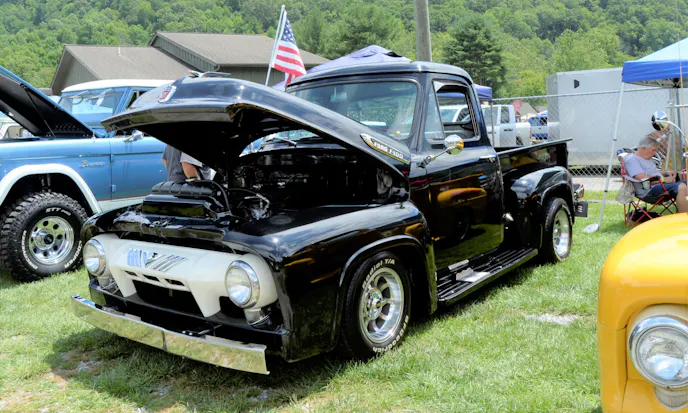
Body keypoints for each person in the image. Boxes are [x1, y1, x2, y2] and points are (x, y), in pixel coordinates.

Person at [624, 134, 688, 212]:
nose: (655, 153)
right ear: (643, 148)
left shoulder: (646, 158)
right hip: (648, 191)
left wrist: (666, 172)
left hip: (659, 185)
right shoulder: (632, 160)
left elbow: (652, 173)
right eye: (653, 150)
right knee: (681, 187)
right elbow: (642, 178)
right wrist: (664, 180)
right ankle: (685, 216)